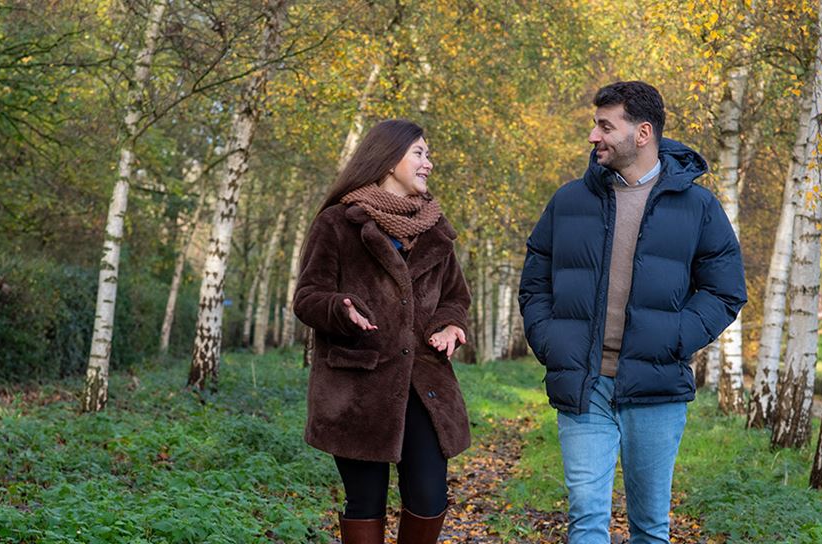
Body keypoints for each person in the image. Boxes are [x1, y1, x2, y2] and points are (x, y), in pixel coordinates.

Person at [518, 81, 747, 543]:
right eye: (595, 125)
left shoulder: (698, 206)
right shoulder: (568, 202)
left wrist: (675, 338)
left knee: (649, 525)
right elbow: (535, 281)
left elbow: (725, 291)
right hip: (585, 384)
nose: (593, 136)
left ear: (642, 133)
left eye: (605, 126)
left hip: (656, 387)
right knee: (586, 517)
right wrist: (550, 340)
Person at [293, 119, 471, 544]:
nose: (429, 163)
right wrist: (340, 308)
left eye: (428, 154)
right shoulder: (337, 224)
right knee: (365, 502)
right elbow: (307, 297)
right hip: (356, 390)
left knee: (429, 496)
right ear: (389, 159)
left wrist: (451, 325)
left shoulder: (436, 230)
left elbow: (455, 297)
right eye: (420, 153)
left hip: (424, 386)